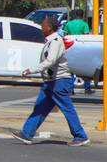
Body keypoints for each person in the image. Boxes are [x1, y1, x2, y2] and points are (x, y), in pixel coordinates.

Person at [15, 17, 89, 147]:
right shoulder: (50, 41)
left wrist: (31, 70)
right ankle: (27, 134)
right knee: (40, 108)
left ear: (50, 28)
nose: (41, 28)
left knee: (67, 109)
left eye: (43, 26)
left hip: (58, 81)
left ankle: (80, 136)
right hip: (50, 82)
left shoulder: (55, 42)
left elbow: (50, 61)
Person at [61, 9, 93, 94]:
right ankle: (87, 88)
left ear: (75, 15)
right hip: (81, 48)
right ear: (82, 15)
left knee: (70, 70)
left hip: (71, 47)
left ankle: (70, 89)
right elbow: (86, 37)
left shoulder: (68, 24)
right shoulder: (84, 24)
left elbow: (65, 36)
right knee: (85, 68)